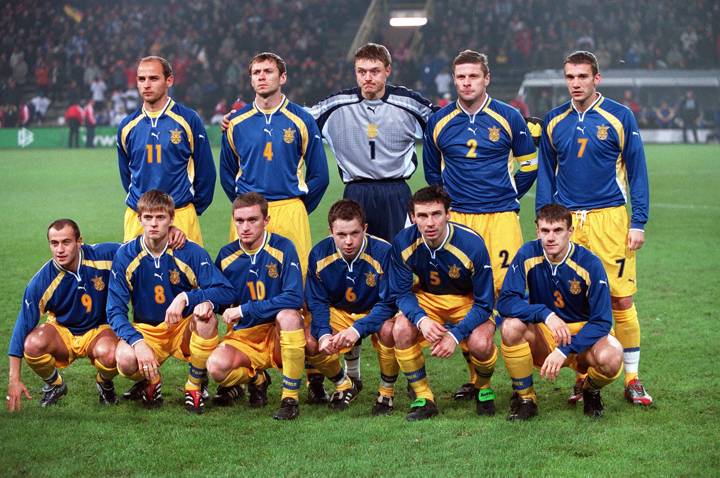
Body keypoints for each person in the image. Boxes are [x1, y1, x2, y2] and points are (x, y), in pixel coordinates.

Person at [536, 50, 652, 406]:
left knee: (620, 298)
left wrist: (639, 221)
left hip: (610, 220)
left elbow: (637, 171)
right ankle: (583, 376)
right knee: (575, 301)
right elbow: (544, 175)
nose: (575, 84)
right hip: (569, 221)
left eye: (582, 77)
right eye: (569, 77)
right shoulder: (554, 121)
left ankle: (631, 378)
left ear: (596, 78)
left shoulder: (619, 116)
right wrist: (544, 221)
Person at [423, 50, 539, 400]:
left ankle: (522, 382)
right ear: (454, 80)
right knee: (465, 295)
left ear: (486, 78)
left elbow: (529, 165)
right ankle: (479, 380)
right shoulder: (440, 121)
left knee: (507, 295)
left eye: (473, 76)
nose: (467, 83)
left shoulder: (508, 117)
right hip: (458, 219)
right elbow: (432, 174)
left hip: (501, 218)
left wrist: (506, 196)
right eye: (461, 77)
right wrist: (448, 209)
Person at [106, 190, 235, 414]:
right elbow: (114, 311)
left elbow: (226, 291)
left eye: (160, 218)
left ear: (172, 219)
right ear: (139, 219)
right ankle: (152, 381)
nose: (153, 224)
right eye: (148, 218)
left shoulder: (190, 251)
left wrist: (187, 298)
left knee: (206, 318)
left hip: (182, 328)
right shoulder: (126, 255)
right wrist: (138, 343)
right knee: (125, 360)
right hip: (147, 330)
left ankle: (194, 386)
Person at [497, 204, 623, 419]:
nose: (550, 238)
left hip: (584, 339)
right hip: (546, 334)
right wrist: (546, 314)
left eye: (558, 231)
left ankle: (590, 390)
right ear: (537, 231)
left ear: (570, 232)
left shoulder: (590, 263)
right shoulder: (528, 253)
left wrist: (566, 349)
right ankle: (526, 398)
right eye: (545, 231)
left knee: (612, 356)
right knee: (510, 327)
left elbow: (602, 321)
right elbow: (506, 301)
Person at [389, 186, 496, 421]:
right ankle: (424, 397)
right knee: (400, 329)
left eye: (436, 214)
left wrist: (454, 336)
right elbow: (401, 292)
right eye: (423, 216)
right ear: (412, 217)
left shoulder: (472, 245)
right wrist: (421, 319)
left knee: (480, 342)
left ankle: (482, 387)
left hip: (468, 302)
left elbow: (485, 303)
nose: (430, 223)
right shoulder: (403, 242)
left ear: (449, 214)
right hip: (428, 300)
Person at [309, 43, 435, 242]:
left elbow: (445, 126)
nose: (368, 77)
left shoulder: (408, 103)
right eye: (362, 71)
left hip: (396, 192)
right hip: (356, 192)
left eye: (375, 71)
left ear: (387, 70)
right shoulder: (336, 105)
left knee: (400, 257)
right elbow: (298, 122)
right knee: (356, 256)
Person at [220, 52, 329, 276]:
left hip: (290, 211)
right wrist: (246, 207)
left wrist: (298, 207)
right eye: (256, 73)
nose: (261, 77)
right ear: (250, 79)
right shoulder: (236, 122)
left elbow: (320, 176)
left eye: (268, 71)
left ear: (282, 78)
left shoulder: (302, 119)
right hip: (249, 215)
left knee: (295, 283)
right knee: (245, 281)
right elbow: (226, 175)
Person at [207, 193, 306, 420]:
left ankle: (289, 398)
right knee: (216, 367)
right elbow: (219, 297)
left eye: (252, 220)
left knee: (289, 316)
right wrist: (201, 302)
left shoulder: (283, 248)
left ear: (266, 220)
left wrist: (244, 310)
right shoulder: (226, 255)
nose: (245, 227)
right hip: (245, 336)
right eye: (239, 221)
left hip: (277, 332)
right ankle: (257, 379)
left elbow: (293, 297)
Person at [7, 219, 120, 412]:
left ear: (79, 241)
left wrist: (171, 232)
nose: (60, 249)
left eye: (66, 242)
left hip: (99, 329)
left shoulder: (104, 255)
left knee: (110, 354)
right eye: (54, 243)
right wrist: (14, 379)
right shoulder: (42, 282)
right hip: (63, 332)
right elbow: (22, 326)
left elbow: (141, 247)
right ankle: (55, 385)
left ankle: (104, 384)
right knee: (32, 344)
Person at [305, 199, 398, 414]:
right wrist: (323, 335)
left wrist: (357, 329)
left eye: (355, 233)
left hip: (376, 312)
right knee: (309, 342)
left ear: (364, 229)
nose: (349, 241)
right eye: (341, 235)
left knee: (390, 329)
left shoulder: (384, 252)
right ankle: (344, 383)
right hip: (340, 312)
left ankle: (386, 392)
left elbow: (389, 302)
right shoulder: (319, 254)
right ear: (331, 231)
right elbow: (318, 301)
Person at [117, 56, 216, 245]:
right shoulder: (127, 126)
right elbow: (127, 175)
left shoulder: (188, 120)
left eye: (153, 78)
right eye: (141, 79)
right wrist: (144, 208)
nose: (146, 85)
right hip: (139, 218)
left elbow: (207, 173)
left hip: (180, 214)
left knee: (187, 274)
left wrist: (190, 210)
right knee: (137, 273)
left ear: (169, 80)